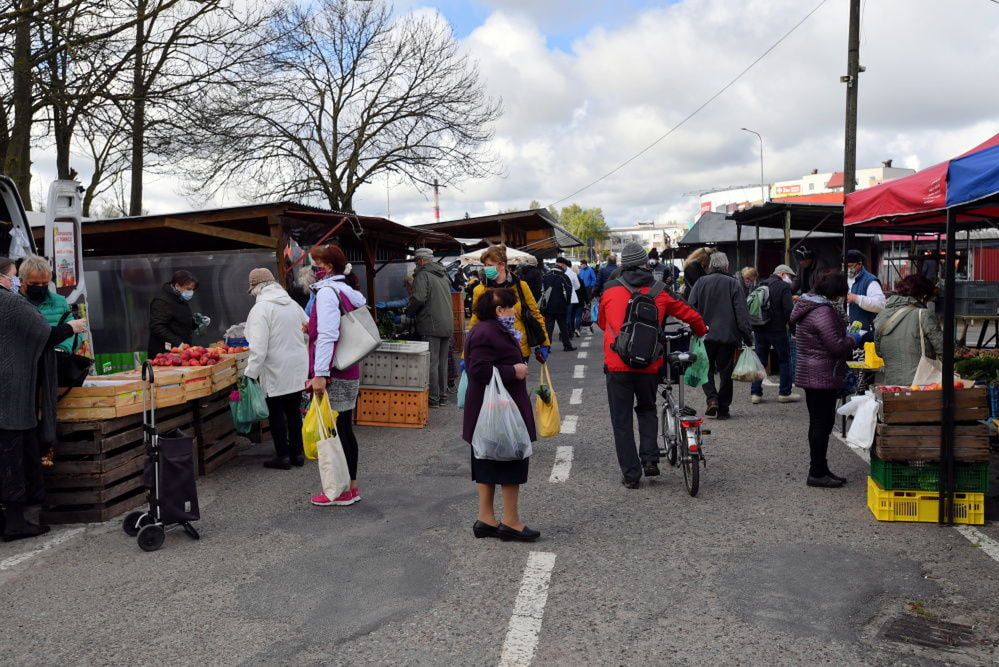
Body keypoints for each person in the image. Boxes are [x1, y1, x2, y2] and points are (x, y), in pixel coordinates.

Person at [598, 242, 707, 489]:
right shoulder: (660, 290)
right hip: (649, 363)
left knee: (621, 420)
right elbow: (690, 315)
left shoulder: (609, 290)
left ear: (623, 264)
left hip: (617, 365)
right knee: (647, 409)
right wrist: (702, 330)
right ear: (645, 263)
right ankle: (650, 459)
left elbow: (602, 323)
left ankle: (631, 474)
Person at [462, 288, 539, 542]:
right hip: (498, 412)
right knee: (510, 460)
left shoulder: (487, 329)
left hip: (488, 411)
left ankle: (486, 519)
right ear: (499, 310)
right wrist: (513, 371)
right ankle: (510, 521)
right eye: (510, 307)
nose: (514, 311)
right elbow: (479, 370)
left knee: (486, 460)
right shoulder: (488, 332)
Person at [790, 269, 863, 488]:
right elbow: (836, 346)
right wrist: (853, 338)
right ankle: (817, 472)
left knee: (819, 423)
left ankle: (821, 468)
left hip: (812, 372)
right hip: (821, 374)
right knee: (822, 424)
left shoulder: (809, 306)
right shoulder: (823, 311)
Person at [306, 244, 367, 507]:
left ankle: (340, 490)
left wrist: (320, 373)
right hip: (349, 367)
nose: (312, 269)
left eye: (315, 263)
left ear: (327, 267)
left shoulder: (327, 293)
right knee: (344, 429)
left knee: (335, 431)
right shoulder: (346, 291)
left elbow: (329, 335)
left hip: (334, 372)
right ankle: (350, 487)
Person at [0, 284, 53, 541]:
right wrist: (71, 328)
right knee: (13, 460)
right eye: (13, 276)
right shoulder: (12, 302)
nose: (16, 283)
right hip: (10, 398)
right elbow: (43, 330)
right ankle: (16, 524)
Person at [243, 268, 309, 470]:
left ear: (256, 288)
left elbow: (258, 347)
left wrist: (250, 374)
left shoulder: (260, 309)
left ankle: (282, 456)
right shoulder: (292, 304)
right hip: (297, 366)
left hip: (274, 368)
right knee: (294, 412)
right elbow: (307, 332)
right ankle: (297, 454)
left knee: (276, 413)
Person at [688, 252, 753, 419]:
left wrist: (695, 328)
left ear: (711, 265)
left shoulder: (700, 282)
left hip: (705, 335)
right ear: (726, 266)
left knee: (705, 370)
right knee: (725, 372)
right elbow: (741, 312)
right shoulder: (733, 283)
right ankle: (723, 408)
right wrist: (747, 336)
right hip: (727, 336)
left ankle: (712, 399)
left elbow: (690, 307)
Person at [468, 245, 550, 364]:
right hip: (490, 349)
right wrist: (466, 353)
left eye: (490, 265)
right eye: (484, 266)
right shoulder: (479, 290)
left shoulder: (521, 286)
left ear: (502, 265)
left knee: (517, 381)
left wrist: (545, 343)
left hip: (518, 349)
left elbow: (536, 314)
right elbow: (475, 322)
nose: (486, 269)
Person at [874, 275, 944, 387]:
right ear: (923, 296)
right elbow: (943, 350)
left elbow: (879, 352)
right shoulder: (924, 315)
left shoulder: (882, 315)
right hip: (921, 384)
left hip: (892, 385)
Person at [406, 248, 454, 408]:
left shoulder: (423, 275)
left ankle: (433, 399)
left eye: (415, 261)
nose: (415, 265)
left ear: (420, 260)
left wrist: (409, 312)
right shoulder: (443, 274)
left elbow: (419, 298)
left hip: (431, 324)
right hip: (447, 323)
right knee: (442, 362)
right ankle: (443, 397)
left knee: (432, 362)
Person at [749, 264, 800, 404]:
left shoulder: (761, 284)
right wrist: (794, 330)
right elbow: (789, 312)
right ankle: (784, 393)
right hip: (778, 330)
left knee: (760, 361)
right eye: (789, 276)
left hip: (760, 328)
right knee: (784, 360)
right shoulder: (784, 287)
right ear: (782, 274)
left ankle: (755, 394)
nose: (790, 279)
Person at [18, 255, 81, 354]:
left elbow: (74, 331)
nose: (40, 287)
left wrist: (61, 350)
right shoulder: (13, 304)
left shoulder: (59, 302)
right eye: (34, 284)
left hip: (55, 362)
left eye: (44, 284)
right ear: (21, 281)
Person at [148, 270, 203, 357]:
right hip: (164, 353)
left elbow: (179, 321)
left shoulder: (179, 298)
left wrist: (196, 322)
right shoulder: (162, 301)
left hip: (182, 351)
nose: (191, 292)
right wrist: (178, 343)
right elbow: (157, 326)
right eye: (188, 289)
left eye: (192, 289)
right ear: (177, 285)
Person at [845, 249, 885, 342]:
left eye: (850, 266)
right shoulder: (844, 278)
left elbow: (880, 304)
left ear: (859, 264)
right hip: (847, 332)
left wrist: (856, 298)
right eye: (845, 266)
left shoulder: (870, 281)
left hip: (865, 333)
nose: (847, 269)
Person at [540, 259, 574, 351]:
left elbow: (541, 291)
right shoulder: (564, 277)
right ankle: (567, 345)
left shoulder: (545, 276)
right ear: (562, 265)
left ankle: (547, 347)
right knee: (563, 327)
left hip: (548, 306)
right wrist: (567, 303)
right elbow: (569, 291)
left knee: (548, 328)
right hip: (561, 306)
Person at [558, 257, 582, 336]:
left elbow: (578, 286)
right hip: (569, 297)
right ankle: (568, 332)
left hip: (567, 298)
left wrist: (570, 289)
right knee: (567, 316)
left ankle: (567, 333)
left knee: (566, 316)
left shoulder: (570, 273)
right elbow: (577, 286)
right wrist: (571, 289)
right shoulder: (572, 273)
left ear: (563, 264)